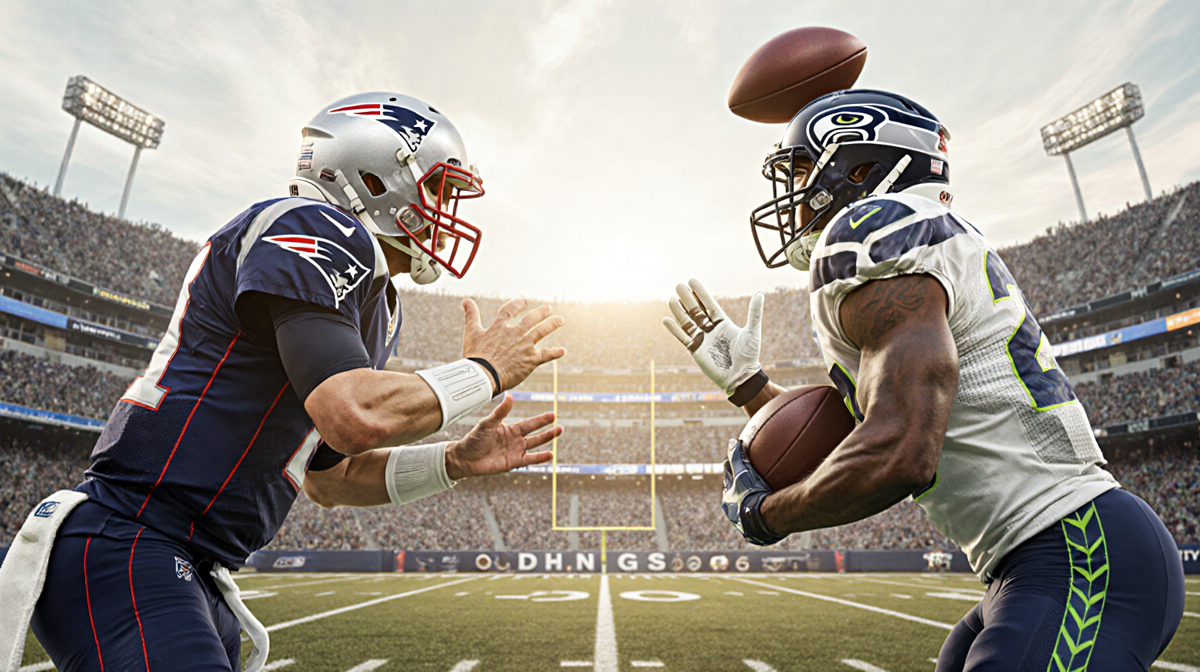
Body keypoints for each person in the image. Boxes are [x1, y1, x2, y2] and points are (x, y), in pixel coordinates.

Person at [2, 92, 566, 672]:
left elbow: (333, 477)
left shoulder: (376, 303)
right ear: (373, 178)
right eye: (439, 188)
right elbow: (355, 415)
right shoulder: (316, 225)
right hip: (131, 539)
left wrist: (451, 462)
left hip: (184, 562)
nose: (448, 210)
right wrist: (483, 372)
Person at [663, 89, 1185, 671]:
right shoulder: (918, 240)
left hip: (1075, 553)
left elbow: (902, 450)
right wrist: (751, 387)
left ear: (860, 167)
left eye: (804, 174)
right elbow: (872, 424)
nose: (792, 200)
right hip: (1038, 559)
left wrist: (767, 514)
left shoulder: (871, 232)